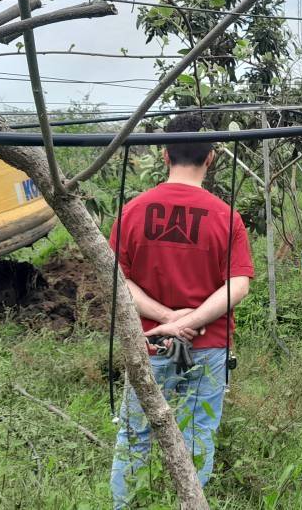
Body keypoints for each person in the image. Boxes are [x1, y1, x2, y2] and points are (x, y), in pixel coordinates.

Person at [108, 114, 254, 508]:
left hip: (149, 344)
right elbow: (237, 284)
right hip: (208, 344)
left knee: (135, 433)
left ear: (164, 153)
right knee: (197, 435)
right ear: (212, 158)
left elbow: (116, 280)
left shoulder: (133, 211)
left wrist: (167, 320)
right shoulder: (227, 216)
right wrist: (186, 322)